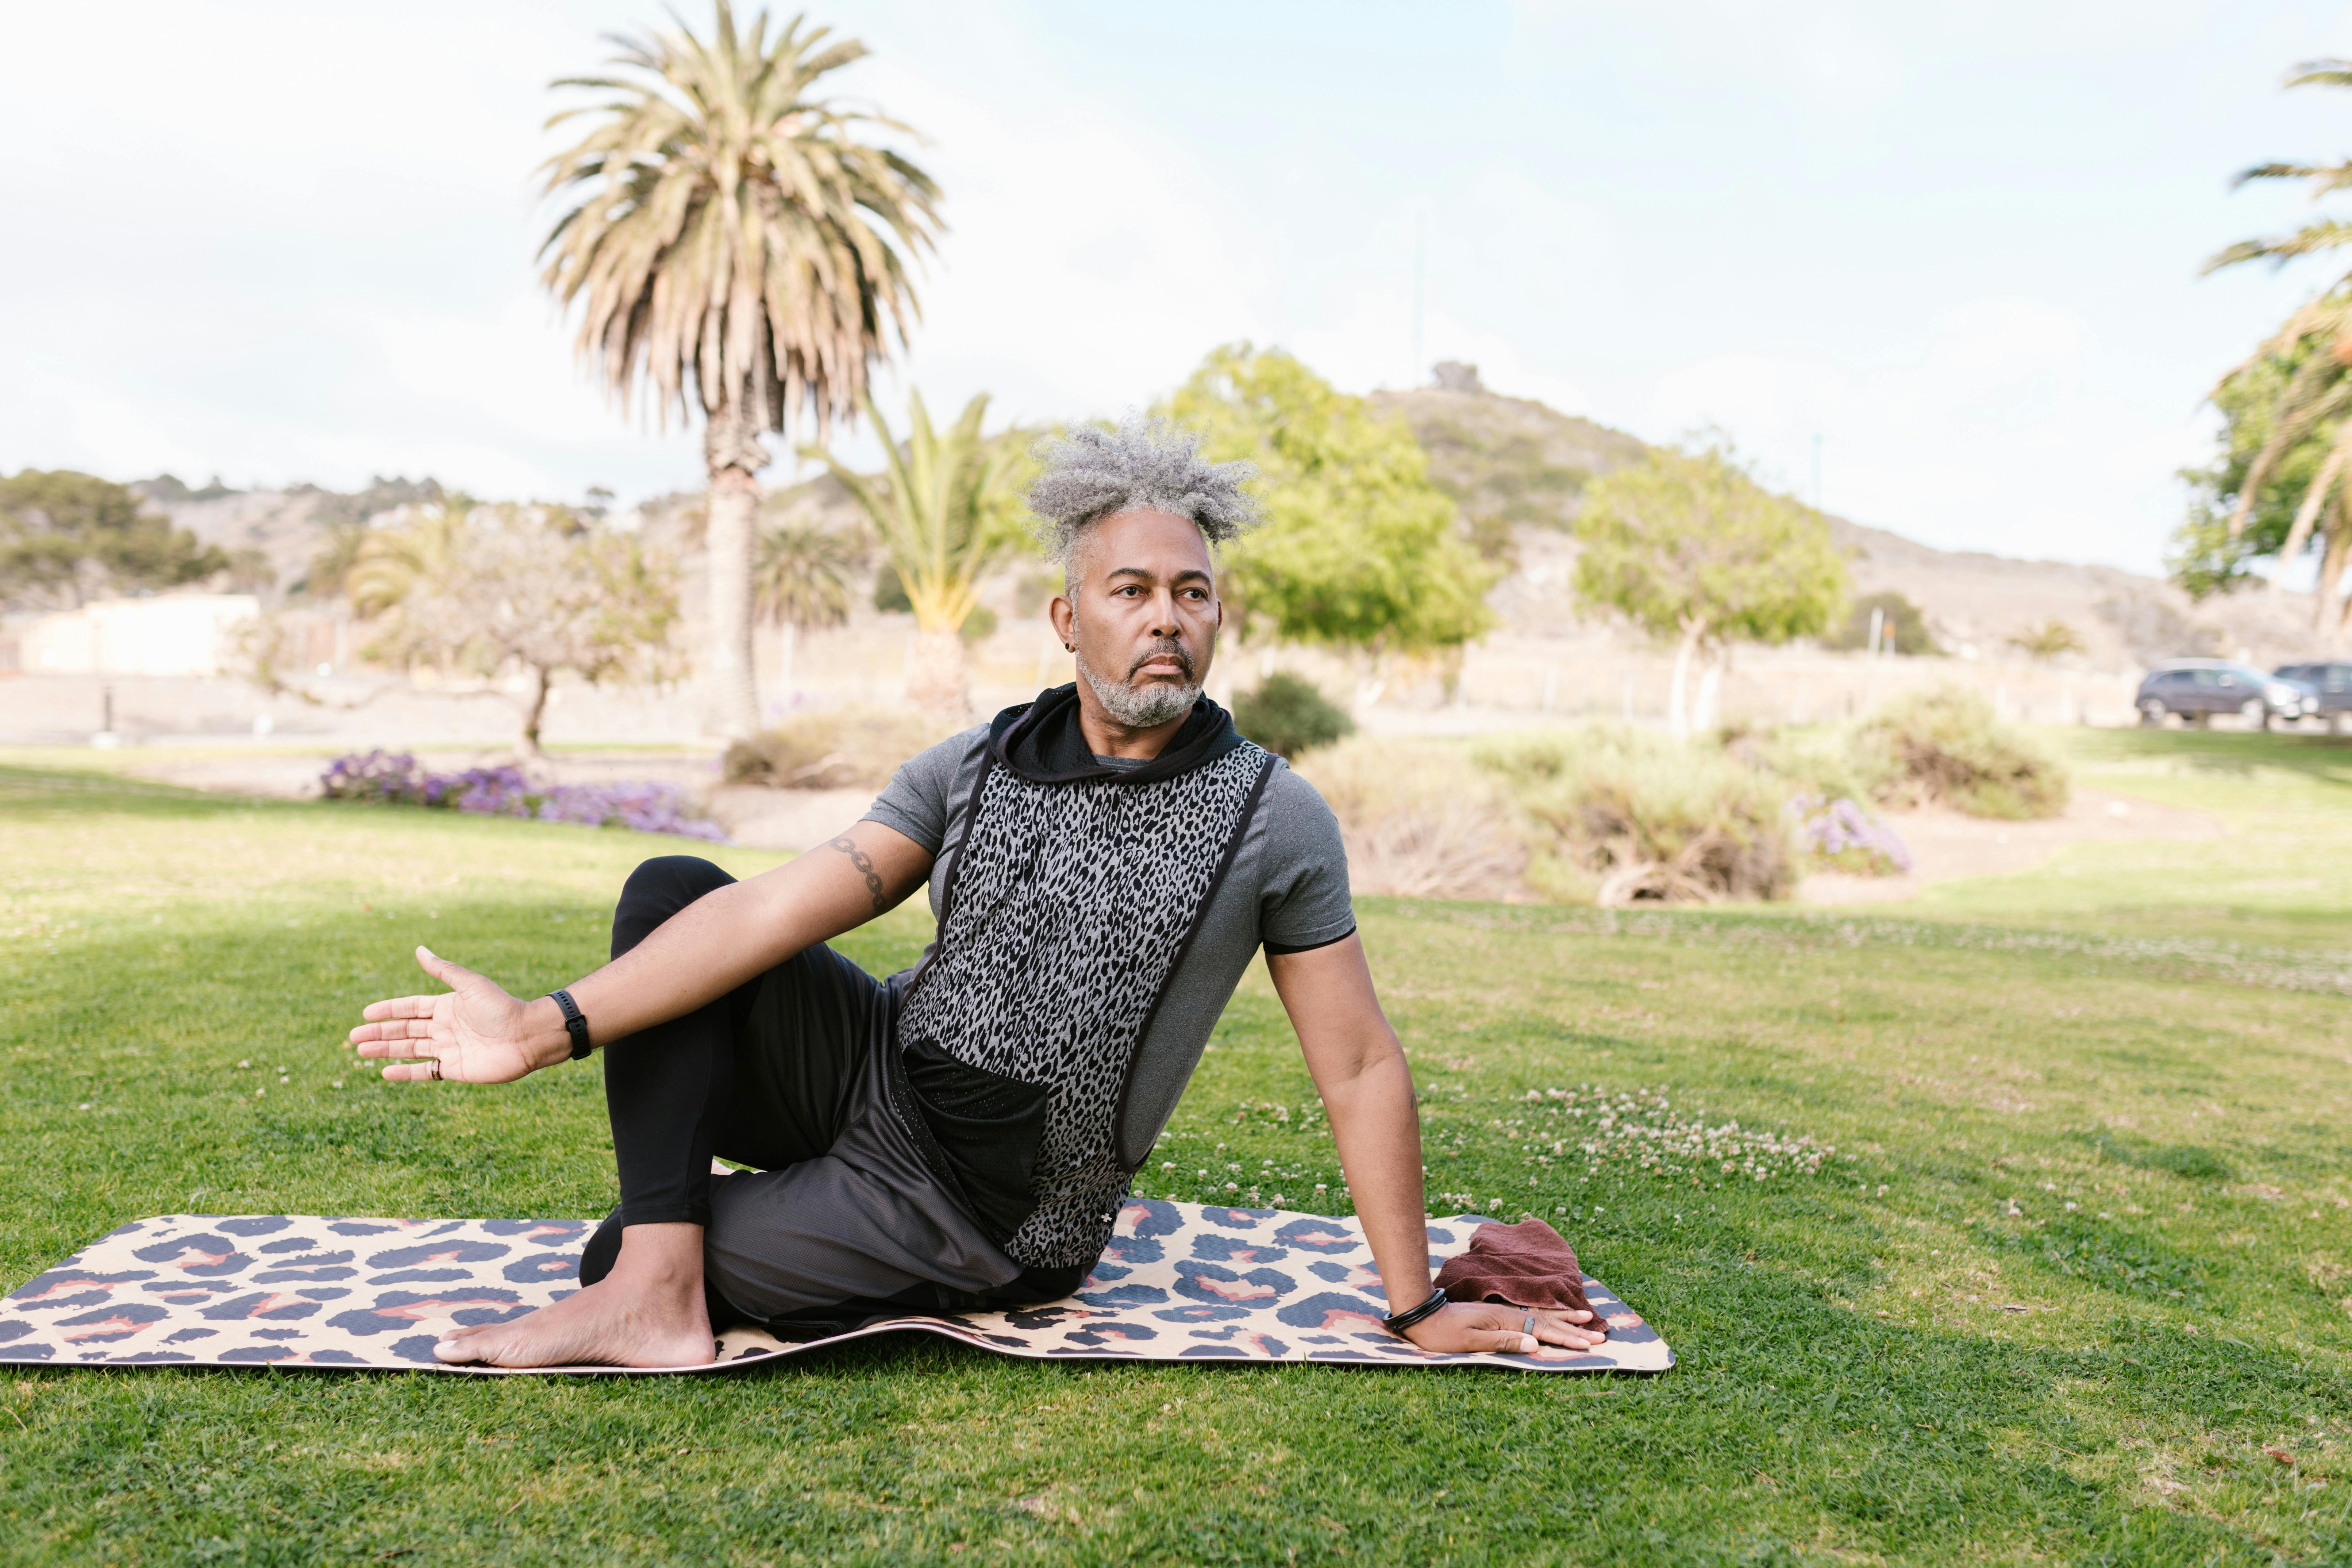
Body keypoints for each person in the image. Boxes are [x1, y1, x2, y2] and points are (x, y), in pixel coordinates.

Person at [348, 417, 1606, 1368]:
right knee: (675, 885)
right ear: (1070, 617)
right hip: (876, 1067)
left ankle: (648, 1276)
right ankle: (660, 1296)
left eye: (1192, 592)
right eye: (1131, 590)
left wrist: (1421, 1304)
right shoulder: (974, 760)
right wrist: (538, 1025)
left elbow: (1361, 1068)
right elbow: (774, 908)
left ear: (1218, 619)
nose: (1165, 617)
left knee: (606, 1243)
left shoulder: (1273, 814)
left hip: (982, 1203)